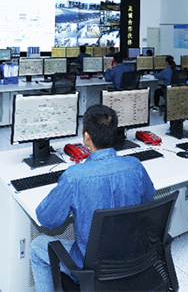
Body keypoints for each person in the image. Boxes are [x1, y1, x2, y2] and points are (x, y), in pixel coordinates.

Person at [30, 105, 155, 292]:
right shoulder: (135, 165)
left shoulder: (74, 176)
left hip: (91, 268)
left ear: (86, 136)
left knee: (37, 246)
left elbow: (47, 219)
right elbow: (148, 197)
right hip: (131, 257)